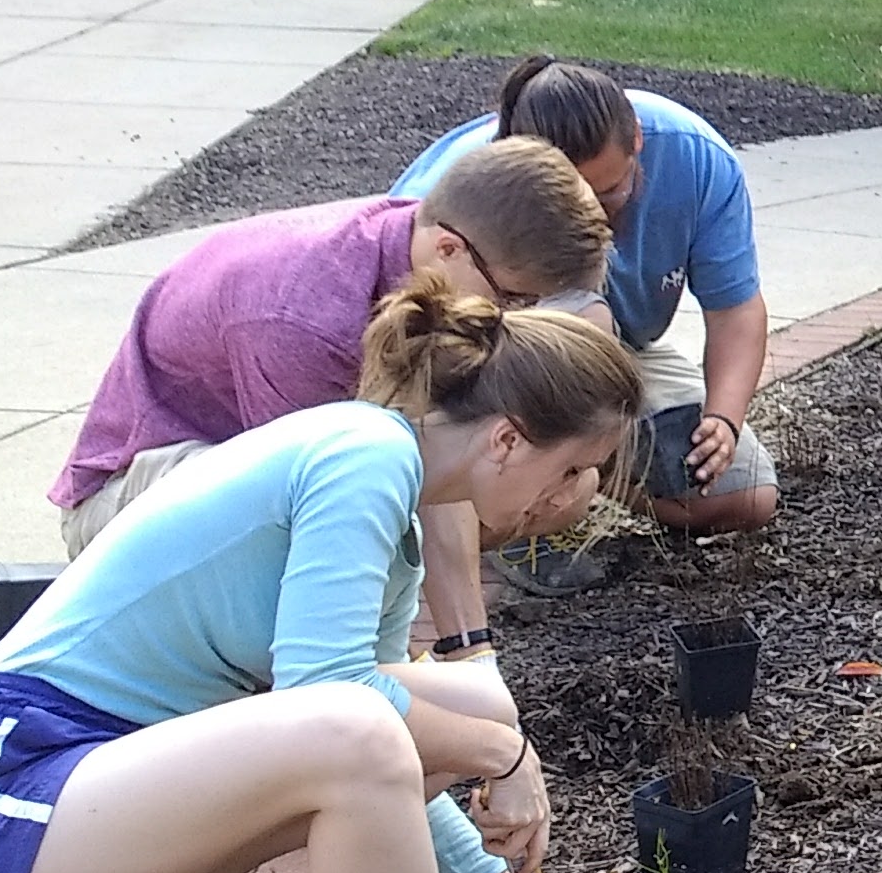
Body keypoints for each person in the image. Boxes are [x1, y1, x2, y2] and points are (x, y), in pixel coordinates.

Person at [0, 279, 643, 873]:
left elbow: (384, 755)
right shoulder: (365, 455)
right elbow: (337, 710)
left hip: (103, 771)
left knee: (456, 698)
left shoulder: (397, 502)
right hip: (10, 774)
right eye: (575, 467)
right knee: (393, 719)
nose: (579, 493)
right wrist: (504, 758)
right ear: (509, 439)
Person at [51, 139, 613, 561]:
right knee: (342, 513)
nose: (513, 319)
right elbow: (313, 499)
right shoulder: (306, 321)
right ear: (448, 247)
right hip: (127, 499)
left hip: (246, 466)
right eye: (512, 298)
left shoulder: (424, 248)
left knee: (556, 482)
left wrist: (469, 648)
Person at [398, 59, 779, 544]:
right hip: (486, 368)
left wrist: (723, 418)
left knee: (744, 493)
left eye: (609, 193)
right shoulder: (452, 196)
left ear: (637, 139)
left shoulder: (695, 157)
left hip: (619, 356)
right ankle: (520, 526)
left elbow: (736, 310)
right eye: (570, 203)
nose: (592, 217)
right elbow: (418, 364)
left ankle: (574, 481)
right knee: (503, 483)